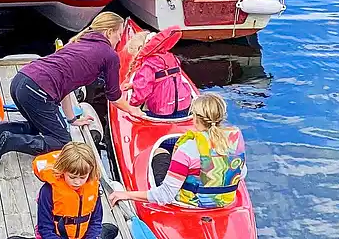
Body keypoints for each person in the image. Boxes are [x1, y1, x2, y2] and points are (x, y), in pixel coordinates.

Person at [0, 12, 144, 167]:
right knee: (61, 142)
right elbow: (114, 96)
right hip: (37, 90)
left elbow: (67, 87)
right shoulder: (109, 55)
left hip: (21, 80)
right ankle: (11, 141)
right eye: (119, 34)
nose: (120, 39)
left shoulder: (78, 42)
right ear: (109, 32)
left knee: (42, 126)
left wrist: (72, 119)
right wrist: (133, 110)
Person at [108, 93, 247, 209]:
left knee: (160, 153)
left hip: (189, 203)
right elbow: (241, 174)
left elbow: (165, 195)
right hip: (225, 202)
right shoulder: (236, 140)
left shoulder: (188, 148)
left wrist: (127, 194)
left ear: (195, 118)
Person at [33, 142, 118, 239]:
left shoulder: (93, 187)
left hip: (84, 236)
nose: (77, 182)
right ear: (62, 170)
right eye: (72, 177)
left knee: (112, 229)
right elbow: (45, 228)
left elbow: (96, 220)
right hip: (55, 236)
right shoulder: (48, 191)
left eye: (82, 177)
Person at [120, 26, 196, 119]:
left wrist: (132, 104)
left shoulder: (148, 64)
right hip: (184, 105)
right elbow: (164, 79)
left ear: (140, 48)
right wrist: (133, 85)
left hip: (161, 110)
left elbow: (143, 88)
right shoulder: (171, 57)